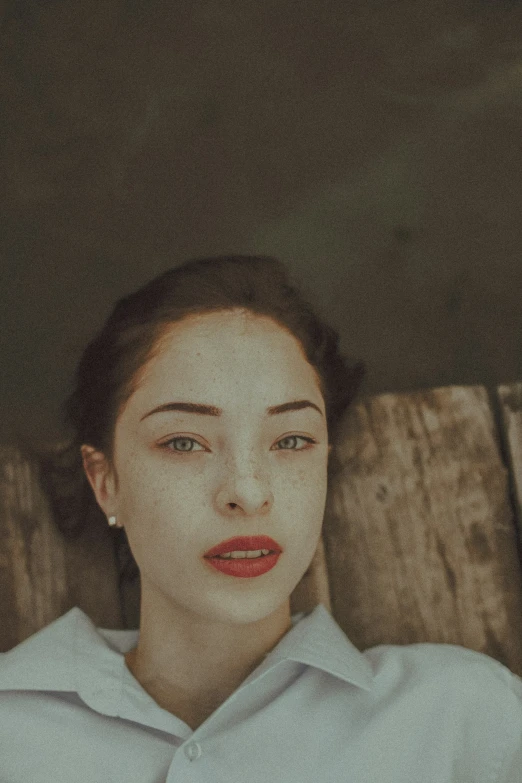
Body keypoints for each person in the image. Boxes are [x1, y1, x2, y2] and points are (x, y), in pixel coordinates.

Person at [1, 254, 521, 782]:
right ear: (105, 481)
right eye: (184, 442)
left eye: (291, 440)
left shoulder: (464, 719)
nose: (248, 493)